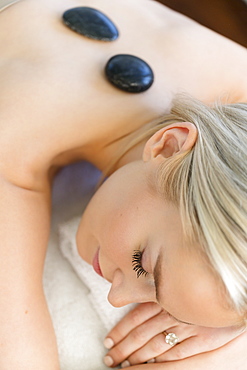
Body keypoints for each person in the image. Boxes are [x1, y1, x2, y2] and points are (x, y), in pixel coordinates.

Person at [0, 0, 246, 369]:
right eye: (141, 263)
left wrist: (226, 319)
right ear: (168, 145)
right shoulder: (22, 122)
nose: (119, 297)